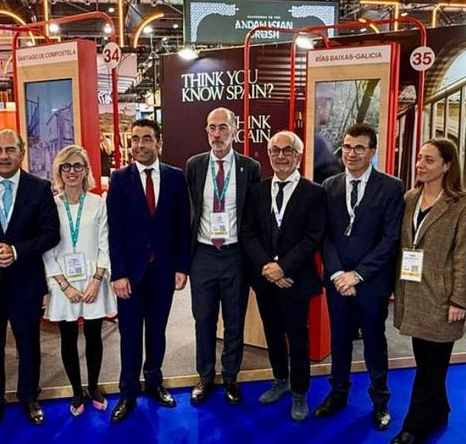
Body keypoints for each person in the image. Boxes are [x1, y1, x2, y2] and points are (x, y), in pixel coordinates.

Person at [0, 128, 60, 432]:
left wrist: (16, 251)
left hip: (25, 282)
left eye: (10, 150)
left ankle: (29, 398)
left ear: (21, 153)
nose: (4, 156)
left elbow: (50, 234)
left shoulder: (39, 187)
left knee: (28, 345)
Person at [314, 123, 404, 431]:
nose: (351, 154)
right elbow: (324, 236)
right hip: (338, 281)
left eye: (359, 148)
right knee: (339, 339)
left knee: (374, 342)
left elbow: (390, 239)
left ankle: (380, 401)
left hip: (372, 282)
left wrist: (358, 275)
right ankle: (338, 393)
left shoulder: (392, 187)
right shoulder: (329, 186)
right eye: (347, 147)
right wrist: (339, 273)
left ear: (372, 151)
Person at [388, 139, 466, 444]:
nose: (420, 165)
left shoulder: (462, 204)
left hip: (442, 296)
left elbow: (464, 255)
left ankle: (414, 425)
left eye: (429, 160)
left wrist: (459, 300)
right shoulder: (410, 198)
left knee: (430, 365)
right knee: (426, 358)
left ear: (447, 165)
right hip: (412, 292)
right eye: (419, 158)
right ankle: (439, 411)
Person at [106, 119, 192, 422]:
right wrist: (118, 273)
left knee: (157, 332)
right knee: (129, 335)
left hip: (164, 273)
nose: (139, 145)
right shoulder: (119, 179)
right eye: (135, 139)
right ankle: (127, 393)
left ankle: (154, 382)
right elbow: (113, 231)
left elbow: (184, 226)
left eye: (146, 139)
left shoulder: (175, 178)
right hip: (129, 274)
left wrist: (182, 266)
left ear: (159, 143)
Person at [241, 130, 324, 421]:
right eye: (275, 150)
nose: (280, 156)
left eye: (287, 150)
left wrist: (284, 267)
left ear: (298, 155)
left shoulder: (314, 192)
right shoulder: (257, 191)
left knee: (297, 337)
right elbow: (248, 233)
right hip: (266, 280)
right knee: (272, 333)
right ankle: (280, 379)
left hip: (296, 280)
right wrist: (268, 267)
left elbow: (313, 237)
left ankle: (300, 391)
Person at [185, 108, 261, 405]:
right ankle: (205, 377)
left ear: (235, 130)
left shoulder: (250, 167)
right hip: (203, 255)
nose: (217, 134)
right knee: (203, 320)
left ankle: (230, 377)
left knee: (234, 322)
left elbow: (254, 216)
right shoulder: (195, 165)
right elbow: (189, 213)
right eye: (211, 128)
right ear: (207, 131)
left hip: (235, 256)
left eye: (223, 128)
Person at [42, 145, 116, 416]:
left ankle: (94, 386)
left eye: (78, 166)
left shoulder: (99, 202)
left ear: (87, 170)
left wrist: (97, 280)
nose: (72, 171)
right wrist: (64, 284)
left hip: (94, 280)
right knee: (68, 337)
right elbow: (46, 247)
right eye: (66, 166)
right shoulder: (50, 204)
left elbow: (105, 243)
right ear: (59, 171)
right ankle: (76, 391)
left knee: (94, 335)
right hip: (63, 283)